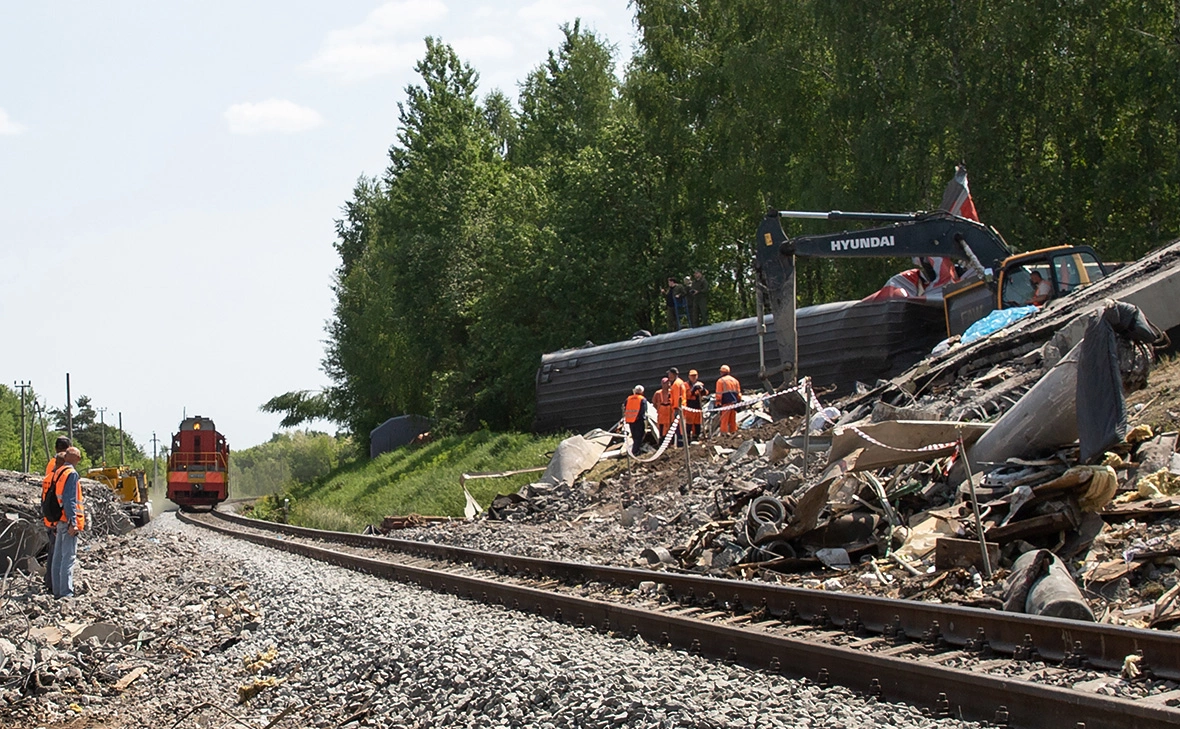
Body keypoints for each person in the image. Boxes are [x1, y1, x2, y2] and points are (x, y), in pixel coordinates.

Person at [51, 446, 85, 599]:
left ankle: (57, 591)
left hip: (59, 519)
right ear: (76, 459)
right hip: (67, 521)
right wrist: (74, 522)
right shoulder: (71, 474)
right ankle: (66, 593)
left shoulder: (58, 472)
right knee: (68, 558)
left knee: (57, 557)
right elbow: (69, 499)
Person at [40, 437, 71, 593]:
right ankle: (54, 585)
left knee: (54, 550)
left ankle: (51, 583)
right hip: (57, 515)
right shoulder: (62, 468)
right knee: (57, 552)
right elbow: (60, 495)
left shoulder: (51, 465)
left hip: (50, 513)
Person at [715, 364, 742, 435]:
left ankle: (724, 434)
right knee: (733, 420)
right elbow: (738, 394)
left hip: (725, 404)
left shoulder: (720, 381)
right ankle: (733, 433)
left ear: (721, 372)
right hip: (734, 404)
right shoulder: (735, 381)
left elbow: (719, 394)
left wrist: (718, 403)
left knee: (724, 420)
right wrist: (739, 402)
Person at [623, 385, 649, 456]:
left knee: (634, 436)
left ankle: (636, 449)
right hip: (638, 420)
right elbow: (643, 411)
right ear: (642, 392)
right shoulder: (642, 399)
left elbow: (625, 407)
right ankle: (635, 451)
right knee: (639, 435)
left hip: (631, 420)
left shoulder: (628, 398)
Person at [684, 369, 709, 442]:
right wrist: (693, 389)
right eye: (692, 376)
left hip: (698, 406)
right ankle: (688, 438)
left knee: (697, 423)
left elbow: (706, 393)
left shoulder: (700, 384)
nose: (693, 377)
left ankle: (696, 437)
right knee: (689, 423)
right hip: (690, 406)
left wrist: (702, 389)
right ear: (689, 376)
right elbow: (686, 395)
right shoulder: (685, 385)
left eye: (694, 376)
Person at [667, 367, 688, 446]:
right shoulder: (680, 382)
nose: (669, 376)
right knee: (681, 425)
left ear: (673, 374)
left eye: (669, 374)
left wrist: (675, 407)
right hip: (682, 406)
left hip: (678, 408)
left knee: (679, 426)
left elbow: (676, 397)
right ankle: (681, 441)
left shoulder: (676, 384)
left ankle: (680, 443)